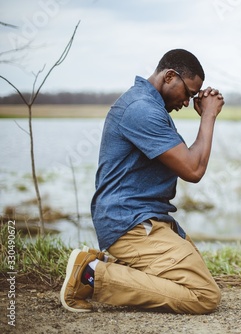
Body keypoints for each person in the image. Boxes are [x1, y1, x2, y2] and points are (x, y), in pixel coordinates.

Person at [60, 49, 225, 314]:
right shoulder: (141, 110)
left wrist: (206, 114)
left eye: (194, 97)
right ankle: (89, 276)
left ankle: (110, 266)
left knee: (188, 280)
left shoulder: (150, 107)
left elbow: (191, 162)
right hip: (130, 223)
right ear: (170, 76)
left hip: (143, 220)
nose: (187, 102)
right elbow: (193, 169)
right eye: (189, 93)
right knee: (203, 295)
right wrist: (208, 116)